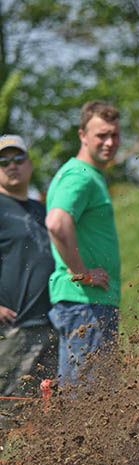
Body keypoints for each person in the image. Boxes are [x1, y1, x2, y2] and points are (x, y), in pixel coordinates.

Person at [45, 100, 122, 387]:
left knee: (87, 396)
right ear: (83, 136)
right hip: (86, 303)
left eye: (115, 134)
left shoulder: (89, 176)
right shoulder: (80, 175)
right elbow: (56, 222)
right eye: (101, 135)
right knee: (90, 399)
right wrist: (82, 273)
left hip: (87, 303)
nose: (110, 142)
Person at [0, 135, 58, 401]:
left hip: (52, 324)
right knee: (9, 410)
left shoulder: (41, 209)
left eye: (18, 158)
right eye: (3, 160)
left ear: (30, 164)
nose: (12, 165)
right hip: (14, 329)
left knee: (48, 409)